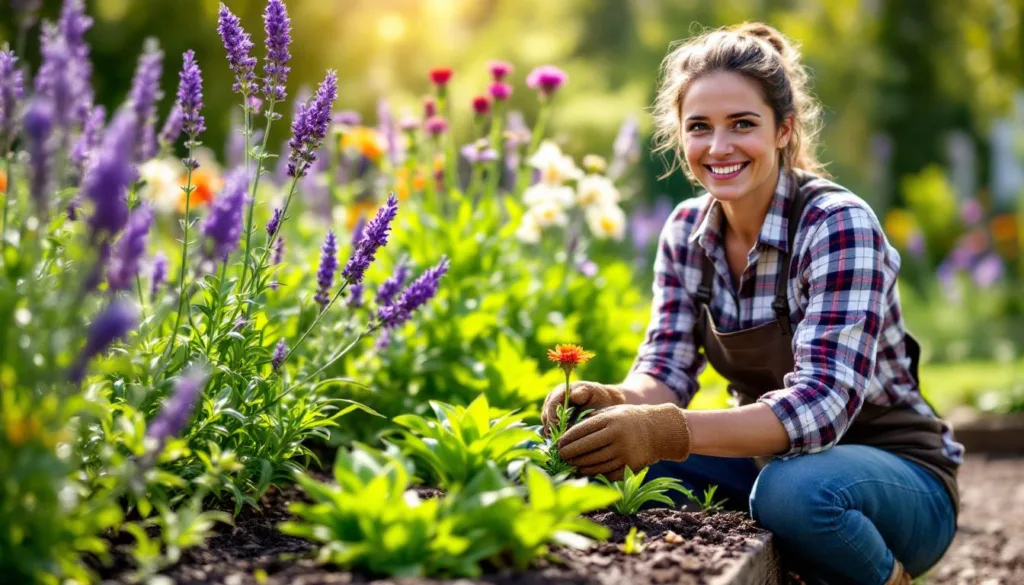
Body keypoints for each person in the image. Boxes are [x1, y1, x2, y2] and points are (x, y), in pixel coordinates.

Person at [540, 22, 962, 585]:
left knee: (792, 493)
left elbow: (822, 407)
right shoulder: (686, 229)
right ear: (680, 136)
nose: (719, 148)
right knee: (584, 457)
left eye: (742, 124)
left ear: (784, 129)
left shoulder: (836, 224)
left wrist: (666, 430)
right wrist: (614, 402)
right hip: (769, 464)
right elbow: (664, 370)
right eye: (699, 127)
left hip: (895, 478)